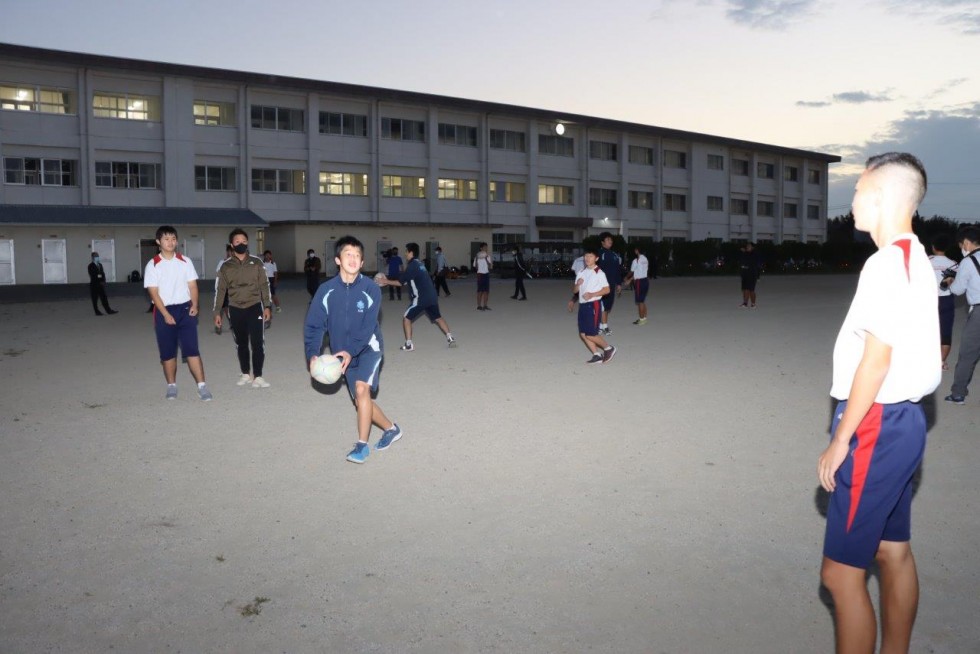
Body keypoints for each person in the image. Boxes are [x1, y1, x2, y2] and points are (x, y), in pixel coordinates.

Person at [816, 153, 939, 654]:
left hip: (875, 425)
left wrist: (842, 439)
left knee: (840, 576)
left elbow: (876, 362)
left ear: (883, 196)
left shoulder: (887, 262)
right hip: (903, 423)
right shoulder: (916, 256)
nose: (850, 204)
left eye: (858, 191)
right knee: (892, 552)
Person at [304, 236, 402, 464]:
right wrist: (312, 354)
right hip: (341, 355)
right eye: (348, 254)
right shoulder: (325, 291)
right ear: (338, 260)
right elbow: (314, 325)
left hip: (369, 347)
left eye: (357, 255)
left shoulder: (371, 290)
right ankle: (391, 429)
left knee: (361, 390)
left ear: (362, 261)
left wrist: (350, 350)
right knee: (361, 401)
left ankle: (361, 446)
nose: (353, 258)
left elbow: (368, 328)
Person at [143, 225, 212, 402]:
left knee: (192, 350)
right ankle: (171, 386)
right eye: (166, 239)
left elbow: (192, 285)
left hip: (185, 309)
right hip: (164, 310)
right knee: (168, 352)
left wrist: (195, 304)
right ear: (158, 242)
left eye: (173, 238)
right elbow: (153, 292)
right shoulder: (153, 265)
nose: (170, 242)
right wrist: (165, 314)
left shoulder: (185, 261)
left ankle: (202, 386)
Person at [213, 228, 272, 389]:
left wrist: (267, 306)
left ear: (248, 243)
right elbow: (221, 291)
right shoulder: (225, 266)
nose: (241, 244)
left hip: (255, 307)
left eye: (244, 241)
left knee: (258, 342)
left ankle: (258, 376)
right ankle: (246, 373)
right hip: (235, 309)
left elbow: (264, 286)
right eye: (237, 241)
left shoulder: (257, 262)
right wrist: (217, 312)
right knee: (241, 343)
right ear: (232, 244)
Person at [378, 242, 457, 351]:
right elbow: (409, 280)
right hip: (432, 296)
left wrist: (385, 281)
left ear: (411, 252)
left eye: (406, 251)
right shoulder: (419, 264)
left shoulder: (412, 266)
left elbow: (401, 283)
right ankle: (451, 338)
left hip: (421, 298)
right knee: (438, 318)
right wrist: (391, 281)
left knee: (406, 318)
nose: (405, 254)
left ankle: (409, 345)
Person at [942, 225, 980, 405]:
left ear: (966, 243)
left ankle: (958, 394)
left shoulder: (968, 262)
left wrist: (950, 280)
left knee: (968, 354)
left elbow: (957, 290)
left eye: (961, 245)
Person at [567, 247, 616, 364]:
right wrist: (578, 285)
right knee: (583, 334)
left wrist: (593, 294)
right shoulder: (581, 272)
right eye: (586, 256)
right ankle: (597, 355)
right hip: (583, 305)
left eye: (591, 256)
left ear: (596, 258)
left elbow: (607, 290)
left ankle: (609, 348)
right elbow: (574, 291)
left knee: (591, 334)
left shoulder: (599, 273)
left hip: (593, 305)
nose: (587, 258)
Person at [928, 234, 957, 370]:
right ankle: (941, 362)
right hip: (946, 300)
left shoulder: (926, 261)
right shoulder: (953, 264)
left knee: (927, 329)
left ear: (933, 247)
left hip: (928, 300)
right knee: (945, 331)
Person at [596, 232, 622, 334]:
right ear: (602, 242)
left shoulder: (614, 255)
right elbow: (594, 269)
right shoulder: (599, 254)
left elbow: (617, 270)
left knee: (607, 306)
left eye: (611, 240)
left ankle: (602, 326)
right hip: (601, 284)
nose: (610, 241)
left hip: (611, 284)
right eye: (607, 240)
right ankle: (602, 326)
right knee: (601, 305)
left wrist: (619, 283)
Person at [622, 245, 650, 325]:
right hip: (645, 281)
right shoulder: (645, 259)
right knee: (642, 300)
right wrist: (630, 280)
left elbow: (632, 271)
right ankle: (644, 318)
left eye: (635, 250)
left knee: (640, 302)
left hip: (639, 282)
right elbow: (639, 272)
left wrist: (626, 277)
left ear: (637, 251)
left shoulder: (636, 260)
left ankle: (641, 320)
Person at [87, 252, 118, 316]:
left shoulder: (100, 265)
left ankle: (108, 310)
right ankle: (97, 311)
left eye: (98, 256)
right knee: (95, 299)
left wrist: (103, 280)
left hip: (101, 285)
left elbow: (102, 274)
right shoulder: (90, 266)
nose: (97, 257)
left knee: (104, 298)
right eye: (96, 256)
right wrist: (100, 276)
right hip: (94, 285)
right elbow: (93, 275)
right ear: (93, 258)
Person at [214, 244, 232, 334]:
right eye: (229, 251)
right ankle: (218, 325)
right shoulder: (222, 262)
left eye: (232, 251)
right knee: (219, 307)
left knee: (228, 307)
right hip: (221, 288)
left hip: (231, 289)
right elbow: (218, 273)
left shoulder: (235, 263)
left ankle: (232, 323)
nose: (230, 253)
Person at [739, 242, 761, 308]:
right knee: (745, 289)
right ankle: (745, 303)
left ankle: (753, 304)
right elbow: (742, 262)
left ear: (752, 247)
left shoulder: (754, 254)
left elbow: (753, 263)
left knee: (751, 290)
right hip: (745, 274)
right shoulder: (745, 254)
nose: (747, 247)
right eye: (747, 246)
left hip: (752, 274)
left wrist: (758, 276)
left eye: (749, 246)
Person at [473, 242, 493, 310]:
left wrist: (486, 259)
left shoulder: (488, 256)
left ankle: (485, 305)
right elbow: (476, 267)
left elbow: (490, 266)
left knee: (486, 291)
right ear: (481, 248)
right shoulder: (477, 256)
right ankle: (479, 305)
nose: (486, 248)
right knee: (480, 291)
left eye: (486, 247)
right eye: (484, 247)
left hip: (486, 274)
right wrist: (477, 259)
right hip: (480, 274)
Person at [262, 250, 281, 314]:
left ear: (270, 256)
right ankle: (267, 308)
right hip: (264, 280)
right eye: (266, 255)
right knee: (265, 294)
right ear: (264, 256)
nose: (267, 256)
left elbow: (275, 273)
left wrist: (275, 281)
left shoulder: (273, 263)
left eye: (268, 255)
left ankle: (278, 307)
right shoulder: (262, 263)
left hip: (271, 279)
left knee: (273, 295)